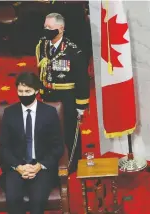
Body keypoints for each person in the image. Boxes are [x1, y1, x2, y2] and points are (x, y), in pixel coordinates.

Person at [0, 72, 64, 214]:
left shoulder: (49, 113)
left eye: (27, 91)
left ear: (37, 91)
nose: (23, 94)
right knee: (13, 198)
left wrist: (40, 166)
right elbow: (3, 148)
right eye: (20, 90)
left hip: (40, 167)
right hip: (17, 167)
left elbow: (57, 147)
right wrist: (18, 167)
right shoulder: (9, 114)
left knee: (37, 200)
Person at [36, 12, 89, 173]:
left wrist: (81, 105)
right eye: (45, 26)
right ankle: (54, 160)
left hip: (67, 98)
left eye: (50, 27)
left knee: (69, 129)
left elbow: (82, 80)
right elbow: (41, 70)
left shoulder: (74, 52)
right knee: (50, 129)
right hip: (48, 95)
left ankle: (73, 162)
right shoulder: (42, 45)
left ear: (61, 29)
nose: (46, 30)